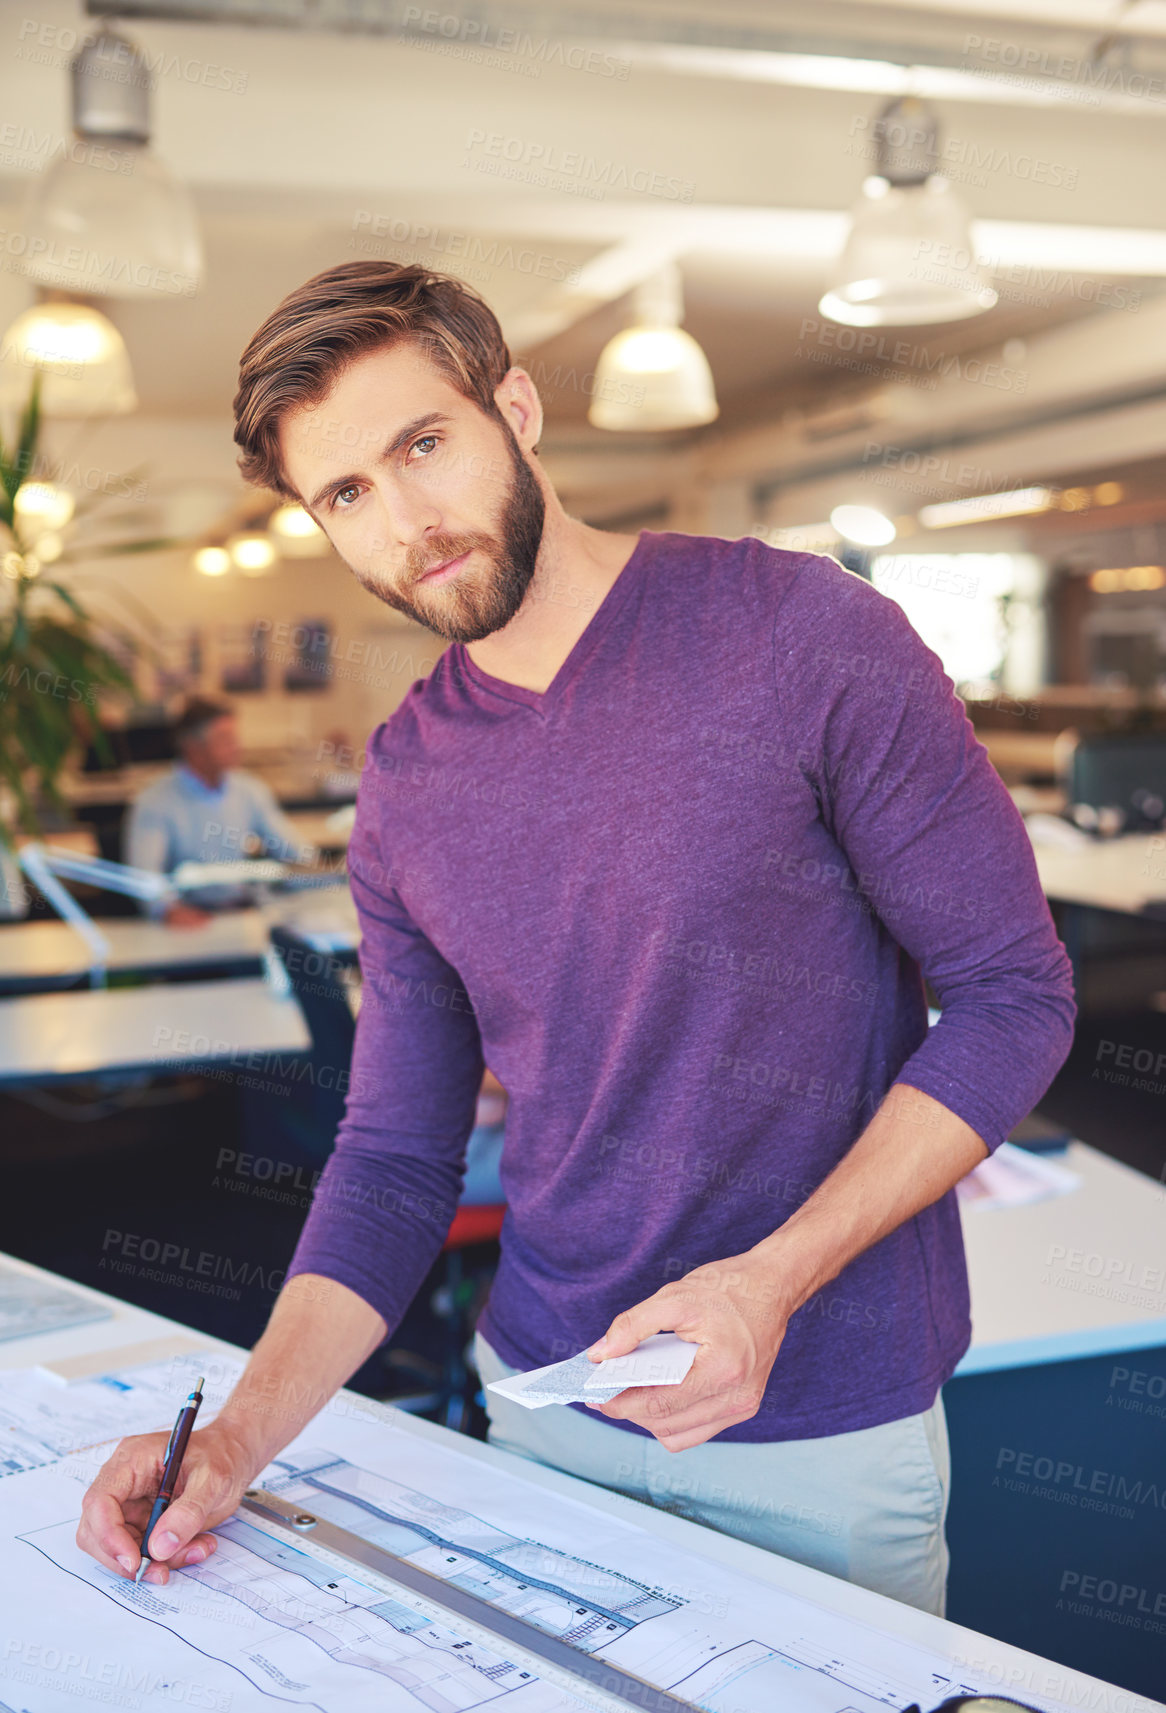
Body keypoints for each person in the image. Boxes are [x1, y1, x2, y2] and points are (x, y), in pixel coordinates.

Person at [80, 262, 1075, 1613]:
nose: (406, 523)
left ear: (518, 409)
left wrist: (770, 1284)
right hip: (546, 1408)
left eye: (420, 445)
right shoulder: (406, 784)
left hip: (820, 1417)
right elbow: (390, 1159)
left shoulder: (808, 637)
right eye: (346, 495)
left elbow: (1013, 994)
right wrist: (233, 1442)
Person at [124, 695, 311, 925]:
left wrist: (324, 871)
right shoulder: (155, 801)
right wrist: (168, 910)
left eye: (235, 737)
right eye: (224, 739)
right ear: (192, 746)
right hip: (188, 917)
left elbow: (291, 849)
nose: (236, 746)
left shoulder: (249, 790)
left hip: (242, 913)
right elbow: (144, 874)